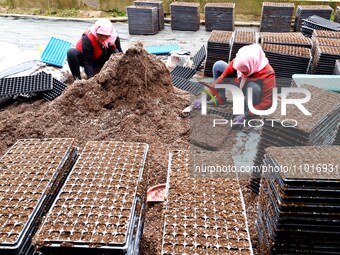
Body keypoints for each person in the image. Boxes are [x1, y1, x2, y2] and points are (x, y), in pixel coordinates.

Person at [211, 43, 276, 124]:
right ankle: (221, 99)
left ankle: (248, 109)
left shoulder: (268, 73)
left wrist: (246, 115)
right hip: (239, 83)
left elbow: (267, 102)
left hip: (252, 91)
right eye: (239, 70)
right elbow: (222, 79)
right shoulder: (238, 61)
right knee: (218, 65)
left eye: (244, 71)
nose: (241, 73)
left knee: (254, 88)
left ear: (251, 65)